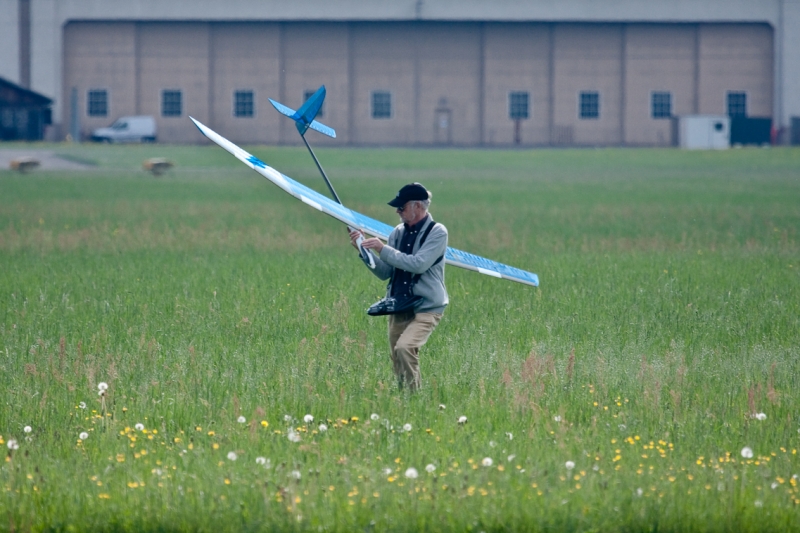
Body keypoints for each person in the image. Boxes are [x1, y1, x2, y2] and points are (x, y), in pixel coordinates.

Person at [349, 183, 448, 391]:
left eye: (401, 207)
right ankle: (406, 401)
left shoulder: (437, 232)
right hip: (399, 305)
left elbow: (418, 264)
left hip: (426, 307)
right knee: (397, 358)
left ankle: (414, 398)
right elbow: (386, 272)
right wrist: (363, 250)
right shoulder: (397, 232)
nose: (397, 211)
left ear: (417, 207)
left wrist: (382, 248)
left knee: (405, 348)